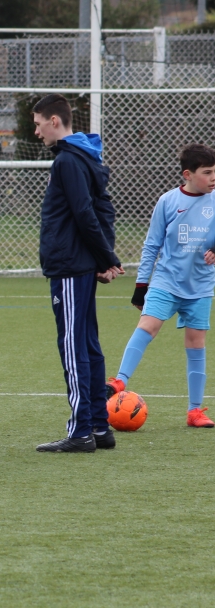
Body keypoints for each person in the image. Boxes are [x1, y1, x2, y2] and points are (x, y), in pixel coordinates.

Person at [32, 94, 124, 453]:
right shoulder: (86, 156)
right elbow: (104, 210)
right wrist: (104, 258)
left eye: (39, 124)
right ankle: (99, 427)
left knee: (73, 346)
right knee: (88, 344)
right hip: (80, 263)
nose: (37, 131)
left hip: (70, 266)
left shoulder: (68, 161)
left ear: (55, 121)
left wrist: (106, 258)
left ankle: (81, 431)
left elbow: (86, 213)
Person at [106, 144, 215, 428]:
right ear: (187, 174)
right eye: (207, 172)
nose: (213, 177)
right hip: (166, 281)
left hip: (201, 287)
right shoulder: (168, 201)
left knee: (196, 343)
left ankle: (195, 411)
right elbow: (152, 245)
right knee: (147, 326)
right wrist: (141, 284)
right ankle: (119, 381)